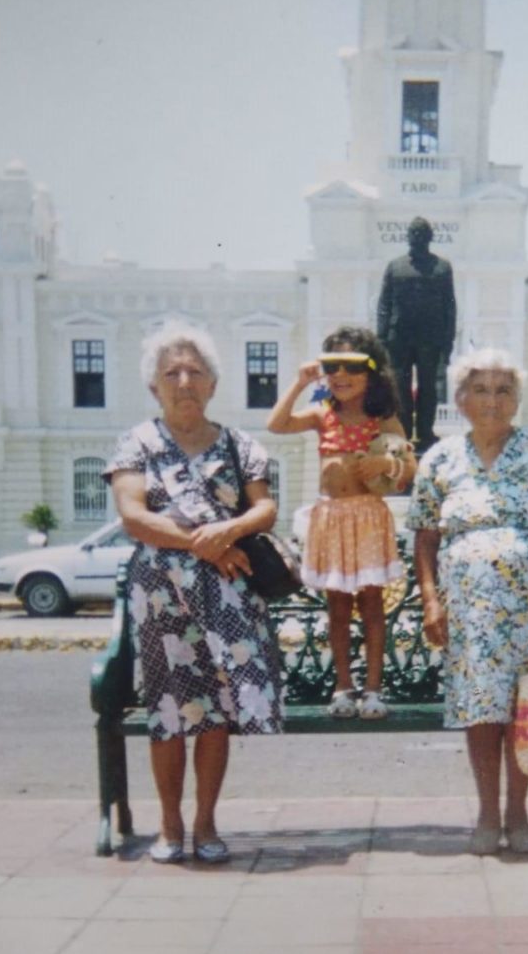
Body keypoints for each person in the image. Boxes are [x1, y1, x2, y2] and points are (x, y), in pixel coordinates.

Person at [104, 321, 281, 864]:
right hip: (162, 598)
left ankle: (205, 823)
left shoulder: (239, 445)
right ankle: (169, 825)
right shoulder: (137, 443)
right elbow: (135, 517)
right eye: (172, 373)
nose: (184, 381)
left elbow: (264, 508)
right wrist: (207, 544)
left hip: (227, 598)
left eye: (195, 372)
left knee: (215, 715)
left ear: (212, 384)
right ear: (154, 385)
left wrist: (230, 531)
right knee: (169, 713)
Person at [407, 348, 528, 855]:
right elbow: (425, 538)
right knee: (482, 710)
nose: (492, 401)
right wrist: (431, 600)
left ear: (517, 400)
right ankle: (487, 813)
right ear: (460, 399)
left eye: (504, 391)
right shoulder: (440, 459)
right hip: (470, 611)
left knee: (525, 708)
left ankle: (519, 813)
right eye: (480, 390)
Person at [267, 325, 416, 719]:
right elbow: (277, 425)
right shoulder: (323, 414)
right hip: (331, 518)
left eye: (351, 366)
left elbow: (409, 467)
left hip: (367, 517)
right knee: (337, 605)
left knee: (371, 604)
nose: (340, 375)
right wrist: (300, 383)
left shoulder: (382, 418)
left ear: (372, 370)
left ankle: (373, 689)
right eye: (332, 366)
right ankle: (343, 687)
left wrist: (384, 463)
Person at [376, 216, 456, 453]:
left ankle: (425, 432)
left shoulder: (442, 268)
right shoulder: (395, 266)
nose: (418, 237)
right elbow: (384, 305)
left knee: (428, 387)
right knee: (400, 388)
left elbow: (450, 307)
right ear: (408, 237)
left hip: (430, 338)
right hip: (398, 338)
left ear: (430, 237)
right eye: (414, 233)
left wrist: (448, 341)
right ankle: (403, 432)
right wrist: (381, 339)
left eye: (422, 233)